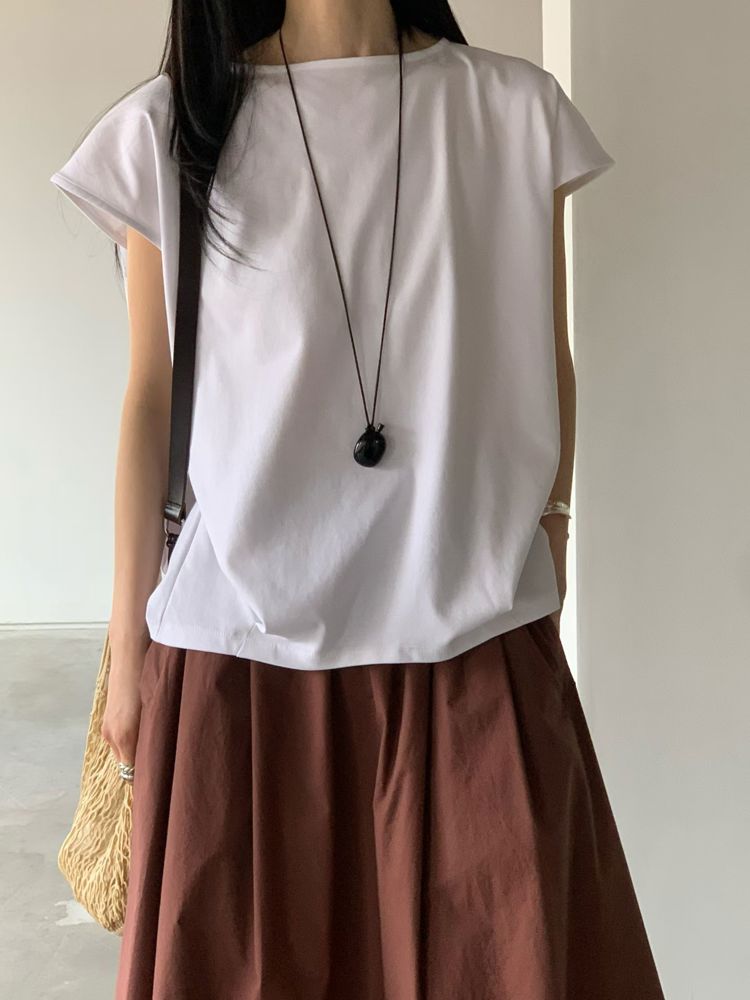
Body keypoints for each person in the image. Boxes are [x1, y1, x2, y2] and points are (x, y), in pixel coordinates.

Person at [50, 2, 666, 997]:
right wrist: (129, 651)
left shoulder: (514, 112)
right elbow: (150, 397)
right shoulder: (173, 127)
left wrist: (550, 541)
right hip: (239, 671)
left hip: (472, 655)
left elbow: (546, 354)